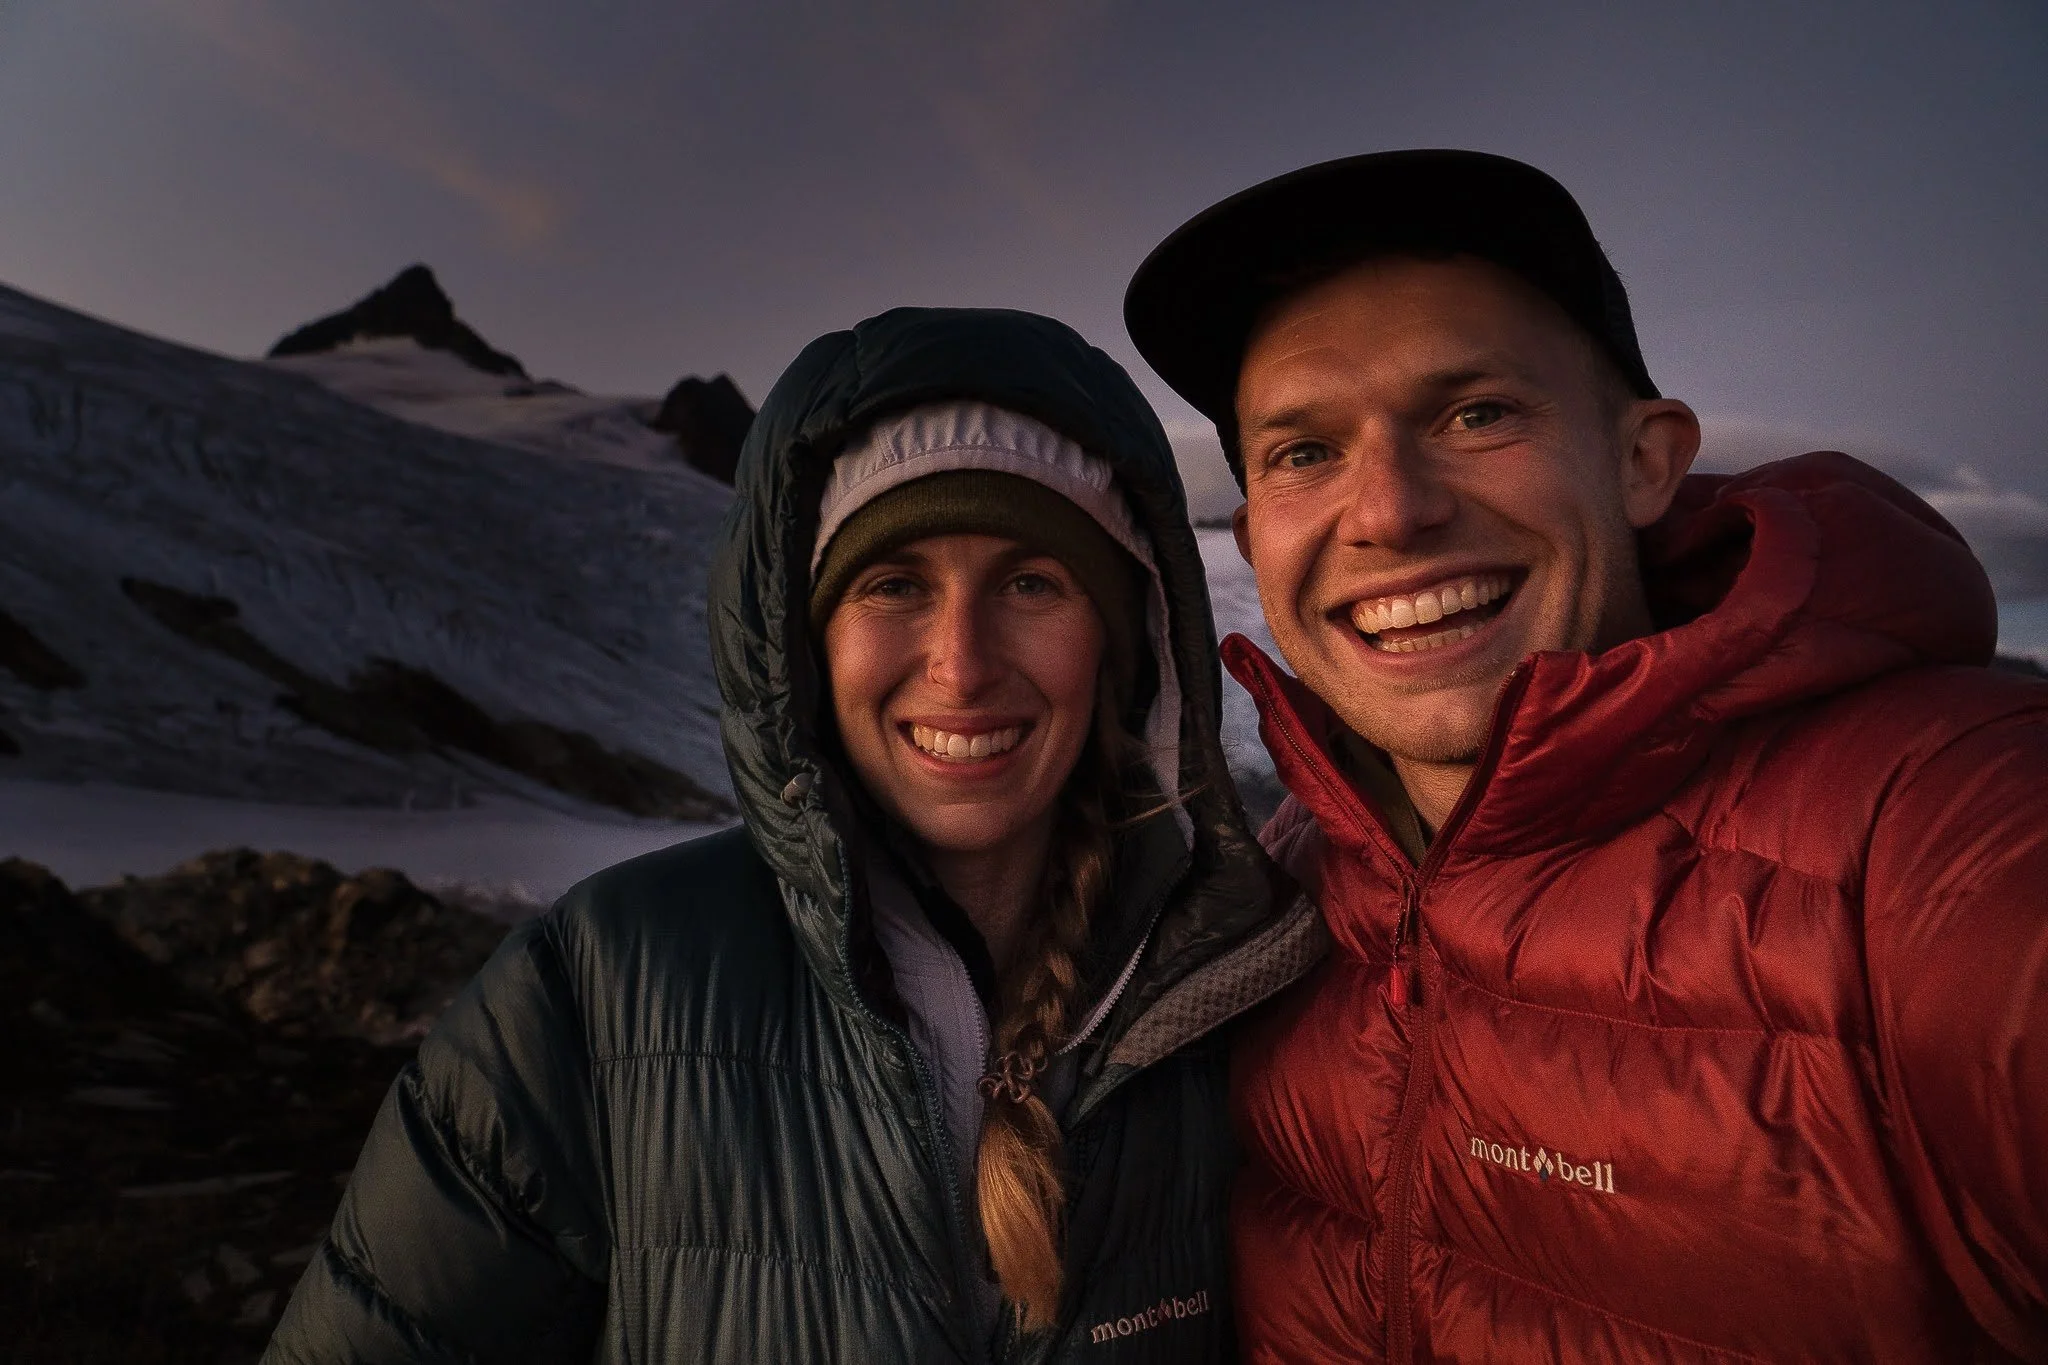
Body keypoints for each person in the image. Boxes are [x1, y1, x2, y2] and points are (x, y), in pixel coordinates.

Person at [1124, 149, 2048, 1362]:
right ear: (1253, 535)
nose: (1390, 510)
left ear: (1641, 460)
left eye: (1475, 414)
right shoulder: (1277, 896)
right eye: (1304, 452)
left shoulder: (1942, 835)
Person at [263, 306, 1322, 1363]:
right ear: (806, 648)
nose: (960, 665)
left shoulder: (1243, 998)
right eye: (893, 584)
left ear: (1124, 644)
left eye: (1030, 583)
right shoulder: (595, 994)